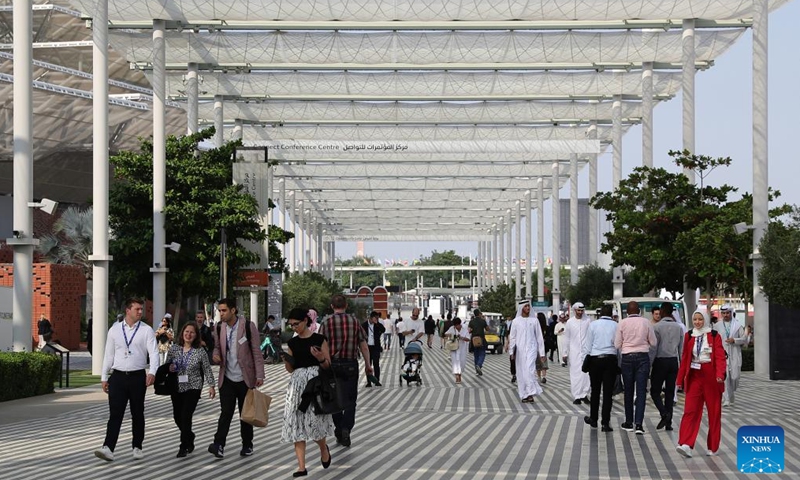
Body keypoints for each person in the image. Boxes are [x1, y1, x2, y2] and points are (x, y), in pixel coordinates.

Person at [94, 297, 159, 462]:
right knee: (115, 413)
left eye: (141, 309)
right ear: (127, 310)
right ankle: (108, 447)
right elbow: (108, 354)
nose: (140, 312)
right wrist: (104, 376)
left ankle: (137, 446)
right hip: (118, 376)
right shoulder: (114, 330)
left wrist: (152, 372)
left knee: (138, 412)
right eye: (137, 309)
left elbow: (154, 353)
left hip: (137, 376)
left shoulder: (146, 330)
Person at [208, 298, 265, 459]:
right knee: (225, 412)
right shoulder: (219, 327)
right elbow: (217, 348)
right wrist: (216, 356)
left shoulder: (247, 326)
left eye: (224, 310)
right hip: (226, 377)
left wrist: (259, 374)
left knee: (245, 414)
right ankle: (218, 444)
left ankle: (247, 445)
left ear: (233, 310)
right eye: (219, 311)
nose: (221, 313)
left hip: (245, 377)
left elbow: (256, 352)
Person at [281, 308, 334, 478]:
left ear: (306, 321)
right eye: (291, 325)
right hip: (296, 385)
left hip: (315, 384)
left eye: (296, 324)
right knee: (296, 422)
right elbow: (290, 370)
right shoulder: (292, 343)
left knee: (315, 421)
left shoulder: (319, 339)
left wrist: (320, 358)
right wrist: (287, 361)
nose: (294, 327)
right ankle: (301, 467)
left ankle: (323, 448)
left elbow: (327, 365)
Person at [316, 294, 373, 448]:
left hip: (331, 366)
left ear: (332, 306)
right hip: (350, 365)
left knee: (335, 400)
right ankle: (346, 428)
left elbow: (319, 345)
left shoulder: (326, 322)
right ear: (346, 305)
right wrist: (368, 365)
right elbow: (364, 345)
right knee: (350, 399)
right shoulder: (354, 321)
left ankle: (339, 428)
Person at [676, 309, 726, 458]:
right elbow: (685, 358)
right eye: (695, 319)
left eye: (700, 319)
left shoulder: (714, 335)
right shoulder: (689, 336)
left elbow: (720, 357)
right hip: (694, 376)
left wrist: (719, 375)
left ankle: (713, 446)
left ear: (705, 320)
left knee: (714, 412)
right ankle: (685, 444)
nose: (697, 322)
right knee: (690, 410)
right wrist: (679, 380)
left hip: (711, 376)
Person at [166, 322, 216, 457]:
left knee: (186, 416)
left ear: (196, 335)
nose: (188, 335)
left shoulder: (200, 351)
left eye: (192, 332)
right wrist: (169, 368)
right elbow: (166, 365)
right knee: (177, 417)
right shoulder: (174, 349)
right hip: (177, 386)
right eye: (186, 332)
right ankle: (189, 435)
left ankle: (184, 445)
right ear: (182, 333)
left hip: (193, 386)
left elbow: (207, 369)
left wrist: (211, 386)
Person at [614, 301, 657, 435]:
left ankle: (628, 422)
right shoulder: (646, 322)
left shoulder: (622, 323)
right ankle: (639, 424)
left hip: (627, 358)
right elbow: (654, 343)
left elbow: (616, 344)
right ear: (639, 311)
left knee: (628, 390)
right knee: (641, 391)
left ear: (627, 312)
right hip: (643, 358)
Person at [582, 304, 619, 432]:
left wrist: (585, 360)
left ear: (600, 313)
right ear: (611, 314)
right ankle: (605, 423)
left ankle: (593, 419)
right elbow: (618, 345)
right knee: (608, 393)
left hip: (595, 360)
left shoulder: (593, 325)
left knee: (595, 391)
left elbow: (588, 346)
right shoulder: (616, 325)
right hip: (610, 360)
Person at [650, 302, 684, 431]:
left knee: (655, 392)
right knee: (670, 392)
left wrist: (650, 364)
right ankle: (668, 423)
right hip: (673, 361)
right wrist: (681, 366)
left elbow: (654, 348)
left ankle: (664, 413)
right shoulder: (679, 327)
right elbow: (681, 349)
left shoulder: (657, 327)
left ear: (663, 311)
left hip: (660, 361)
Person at [507, 300, 545, 403]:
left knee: (529, 370)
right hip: (520, 351)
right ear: (521, 308)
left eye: (529, 306)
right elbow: (513, 338)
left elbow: (539, 337)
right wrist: (511, 352)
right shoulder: (516, 321)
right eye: (526, 306)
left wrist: (542, 353)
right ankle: (525, 394)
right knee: (521, 372)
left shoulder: (534, 321)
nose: (528, 308)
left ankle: (531, 392)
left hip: (532, 349)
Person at [713, 304, 748, 406]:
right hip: (722, 355)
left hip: (735, 354)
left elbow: (744, 339)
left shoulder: (737, 326)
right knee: (725, 377)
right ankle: (726, 399)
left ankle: (731, 394)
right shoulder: (717, 326)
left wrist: (734, 340)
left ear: (731, 313)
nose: (725, 315)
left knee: (735, 377)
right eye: (723, 313)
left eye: (727, 313)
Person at [562, 303, 591, 404]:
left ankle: (584, 394)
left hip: (586, 351)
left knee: (586, 374)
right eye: (578, 310)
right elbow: (567, 338)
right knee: (575, 374)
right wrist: (564, 353)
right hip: (574, 352)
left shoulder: (587, 321)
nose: (580, 312)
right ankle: (576, 396)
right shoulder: (570, 322)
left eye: (582, 311)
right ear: (574, 311)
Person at [444, 317, 471, 384]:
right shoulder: (452, 328)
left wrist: (461, 337)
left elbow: (468, 339)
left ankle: (460, 375)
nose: (456, 327)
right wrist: (451, 335)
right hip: (454, 348)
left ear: (460, 324)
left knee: (462, 363)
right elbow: (445, 333)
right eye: (455, 326)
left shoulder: (465, 329)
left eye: (457, 325)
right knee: (455, 363)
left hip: (462, 349)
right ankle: (457, 377)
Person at [362, 311, 385, 387]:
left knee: (376, 363)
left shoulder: (377, 325)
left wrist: (377, 323)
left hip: (375, 347)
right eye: (375, 318)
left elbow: (383, 330)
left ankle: (377, 380)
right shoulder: (364, 325)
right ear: (371, 318)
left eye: (377, 318)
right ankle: (369, 382)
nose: (377, 319)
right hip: (367, 347)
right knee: (368, 364)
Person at [468, 309, 488, 376]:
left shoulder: (471, 321)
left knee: (476, 355)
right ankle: (479, 365)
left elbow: (469, 330)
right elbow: (488, 329)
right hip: (481, 339)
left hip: (474, 340)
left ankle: (477, 371)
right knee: (482, 353)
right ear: (479, 314)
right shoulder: (482, 321)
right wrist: (484, 320)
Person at [535, 312, 549, 385]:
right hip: (543, 347)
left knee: (538, 362)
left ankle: (539, 377)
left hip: (537, 347)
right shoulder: (545, 327)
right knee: (543, 361)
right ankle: (544, 376)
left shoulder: (537, 327)